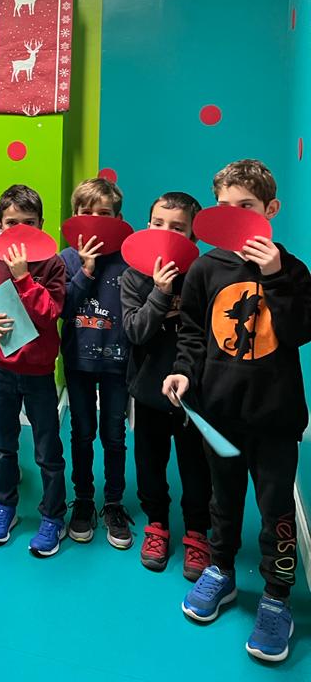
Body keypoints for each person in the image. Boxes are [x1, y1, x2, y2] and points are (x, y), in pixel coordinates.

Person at [163, 159, 311, 663]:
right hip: (219, 414)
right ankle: (221, 570)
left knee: (276, 512)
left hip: (275, 418)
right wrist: (184, 371)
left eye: (246, 206)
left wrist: (274, 276)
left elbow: (298, 332)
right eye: (225, 207)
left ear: (270, 209)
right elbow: (192, 334)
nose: (234, 215)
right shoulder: (206, 269)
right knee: (222, 502)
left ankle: (277, 597)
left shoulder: (292, 270)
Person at [121, 191, 211, 579]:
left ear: (193, 236)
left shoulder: (204, 275)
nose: (166, 232)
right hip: (148, 392)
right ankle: (156, 524)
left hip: (194, 394)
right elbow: (135, 332)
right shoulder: (133, 276)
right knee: (149, 463)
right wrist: (159, 292)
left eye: (177, 228)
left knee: (196, 468)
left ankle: (197, 531)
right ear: (148, 225)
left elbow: (208, 336)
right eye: (158, 224)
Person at [0, 185, 67, 555]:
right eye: (11, 222)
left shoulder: (53, 264)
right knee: (3, 445)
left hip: (38, 372)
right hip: (0, 368)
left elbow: (49, 313)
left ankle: (53, 516)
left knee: (47, 449)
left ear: (41, 224)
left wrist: (24, 278)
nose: (19, 229)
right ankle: (5, 506)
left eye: (28, 222)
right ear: (0, 224)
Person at [60, 177, 133, 548]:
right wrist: (85, 270)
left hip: (118, 362)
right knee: (82, 432)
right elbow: (62, 308)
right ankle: (85, 499)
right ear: (75, 215)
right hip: (78, 362)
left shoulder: (129, 260)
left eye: (104, 214)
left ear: (117, 219)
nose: (95, 219)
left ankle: (114, 503)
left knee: (115, 435)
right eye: (86, 212)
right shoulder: (67, 258)